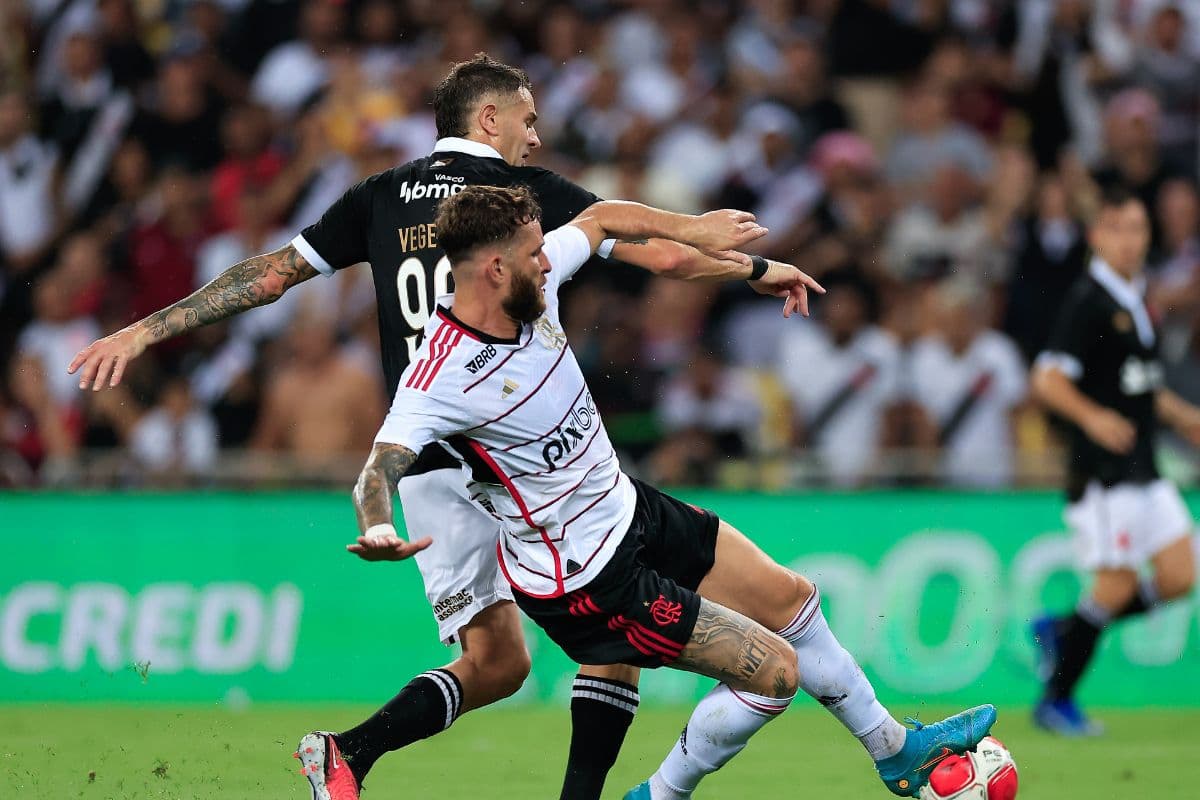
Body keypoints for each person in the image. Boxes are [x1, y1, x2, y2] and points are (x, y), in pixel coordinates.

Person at [67, 54, 805, 800]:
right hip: (503, 441)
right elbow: (667, 255)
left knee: (505, 661)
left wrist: (144, 331)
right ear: (490, 118)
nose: (536, 138)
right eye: (528, 119)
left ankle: (347, 754)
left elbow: (269, 275)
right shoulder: (522, 200)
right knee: (597, 599)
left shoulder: (380, 195)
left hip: (425, 461)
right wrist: (754, 267)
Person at [354, 185, 996, 800]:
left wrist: (715, 243)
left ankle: (895, 751)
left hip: (627, 508)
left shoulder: (533, 286)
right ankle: (659, 796)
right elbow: (379, 468)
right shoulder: (438, 375)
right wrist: (379, 525)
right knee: (775, 675)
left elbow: (602, 218)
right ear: (493, 268)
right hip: (583, 576)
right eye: (533, 254)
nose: (548, 260)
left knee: (793, 599)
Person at [1031, 187, 1200, 735]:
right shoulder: (1090, 301)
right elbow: (1048, 378)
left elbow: (1139, 386)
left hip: (1145, 469)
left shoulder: (1134, 298)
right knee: (1115, 588)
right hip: (1104, 474)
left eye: (1138, 229)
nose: (1130, 241)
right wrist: (1091, 417)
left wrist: (1182, 417)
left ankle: (1065, 628)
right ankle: (1056, 699)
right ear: (1097, 237)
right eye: (1118, 229)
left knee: (1179, 576)